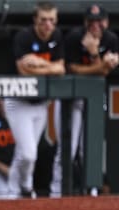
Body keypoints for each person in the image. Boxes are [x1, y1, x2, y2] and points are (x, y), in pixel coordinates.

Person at [49, 4, 119, 197]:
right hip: (71, 99)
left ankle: (92, 191)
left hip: (95, 98)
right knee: (67, 150)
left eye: (99, 21)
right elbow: (72, 69)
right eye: (91, 21)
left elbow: (104, 73)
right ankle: (56, 192)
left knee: (89, 149)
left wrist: (95, 54)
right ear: (85, 22)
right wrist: (98, 61)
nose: (95, 25)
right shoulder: (74, 37)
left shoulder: (111, 39)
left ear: (106, 22)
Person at [5, 1, 65, 199]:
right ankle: (25, 186)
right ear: (35, 21)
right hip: (18, 102)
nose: (48, 25)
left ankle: (11, 192)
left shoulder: (57, 36)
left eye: (51, 21)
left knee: (24, 153)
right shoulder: (24, 36)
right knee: (29, 153)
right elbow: (23, 70)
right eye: (43, 20)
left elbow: (61, 69)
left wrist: (39, 63)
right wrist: (50, 68)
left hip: (40, 104)